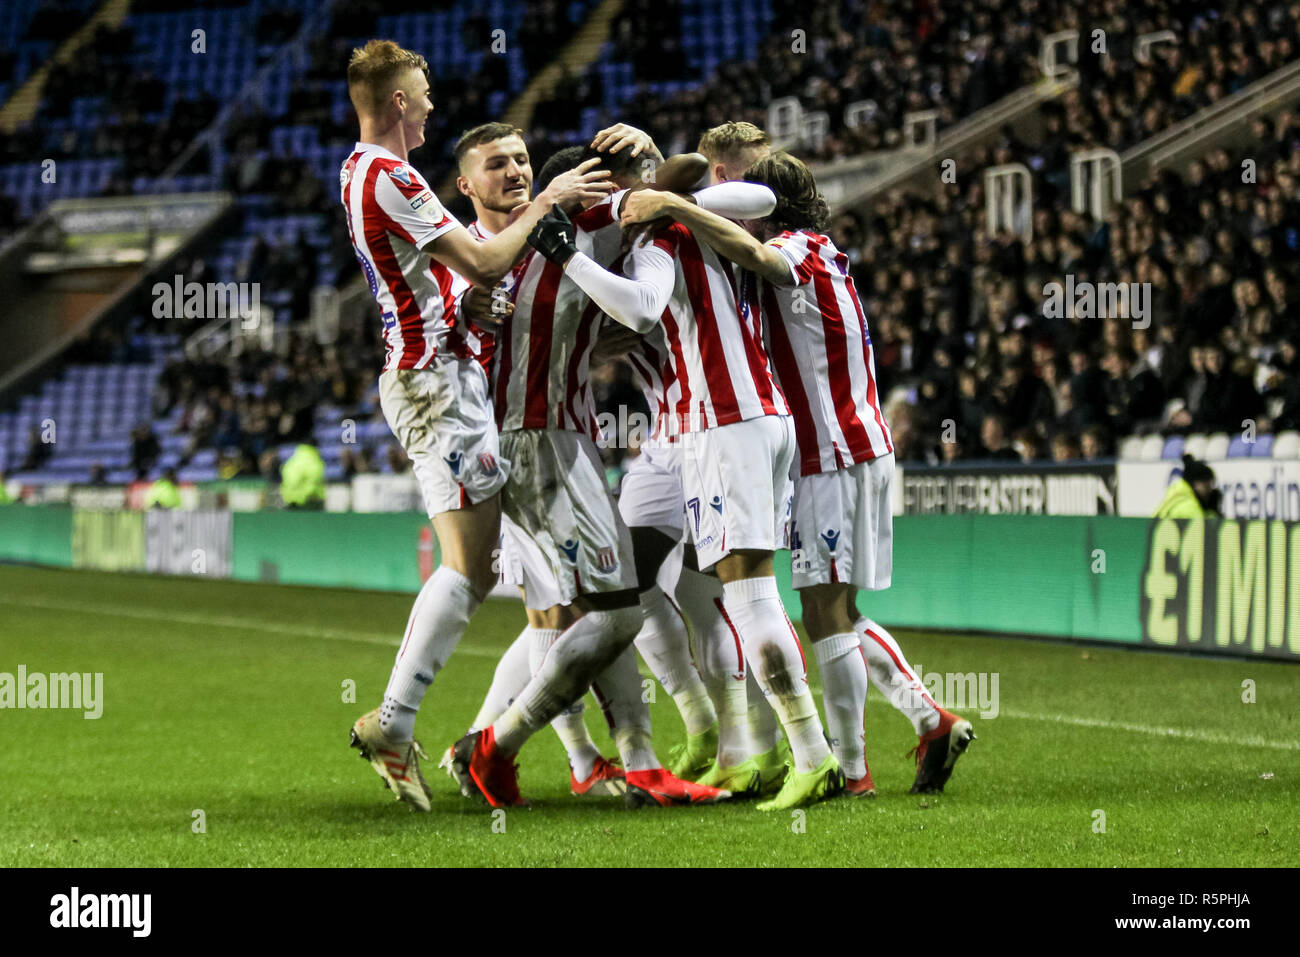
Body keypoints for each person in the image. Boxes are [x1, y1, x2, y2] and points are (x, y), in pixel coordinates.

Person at [620, 148, 976, 795]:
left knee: (823, 613)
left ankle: (850, 770)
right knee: (839, 609)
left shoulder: (798, 249)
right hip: (848, 444)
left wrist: (674, 205)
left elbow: (757, 257)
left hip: (827, 451)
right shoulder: (826, 248)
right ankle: (930, 718)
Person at [448, 143, 772, 809]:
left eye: (521, 160)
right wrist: (654, 190)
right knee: (602, 612)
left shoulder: (533, 240)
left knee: (592, 607)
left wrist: (659, 168)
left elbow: (671, 191)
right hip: (535, 443)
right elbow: (683, 199)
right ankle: (494, 744)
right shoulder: (510, 245)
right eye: (497, 163)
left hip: (564, 440)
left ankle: (632, 760)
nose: (513, 172)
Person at [340, 38, 613, 812]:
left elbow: (428, 280)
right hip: (437, 384)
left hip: (431, 371)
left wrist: (459, 308)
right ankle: (394, 724)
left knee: (489, 566)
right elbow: (488, 261)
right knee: (471, 566)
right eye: (422, 93)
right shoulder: (391, 174)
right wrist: (549, 201)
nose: (429, 103)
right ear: (398, 103)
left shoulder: (356, 170)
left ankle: (466, 733)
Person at [539, 148, 846, 812]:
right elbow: (755, 202)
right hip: (736, 420)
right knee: (656, 586)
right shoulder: (665, 222)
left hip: (719, 421)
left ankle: (812, 754)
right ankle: (736, 742)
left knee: (747, 600)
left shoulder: (649, 231)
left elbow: (646, 308)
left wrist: (580, 251)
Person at [1154, 454, 1222, 518]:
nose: (1210, 490)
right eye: (1207, 485)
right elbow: (1202, 529)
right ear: (1194, 484)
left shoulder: (1174, 499)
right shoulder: (1189, 507)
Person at [280, 443, 325, 508]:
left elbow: (290, 481)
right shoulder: (315, 462)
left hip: (290, 501)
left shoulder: (290, 461)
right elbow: (315, 482)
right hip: (308, 502)